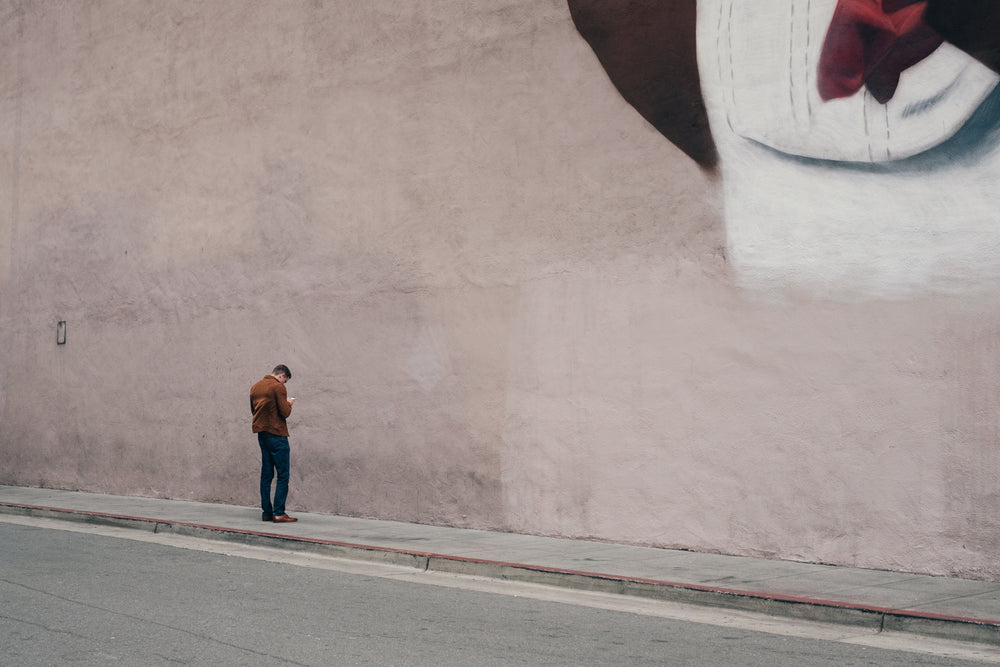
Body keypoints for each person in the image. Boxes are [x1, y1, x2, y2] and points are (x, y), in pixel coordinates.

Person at [250, 364, 297, 523]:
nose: (284, 384)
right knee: (283, 475)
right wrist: (289, 403)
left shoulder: (255, 387)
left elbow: (254, 411)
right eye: (285, 381)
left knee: (266, 474)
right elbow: (284, 412)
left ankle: (267, 513)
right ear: (282, 376)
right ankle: (279, 513)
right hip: (277, 434)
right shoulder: (278, 387)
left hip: (262, 435)